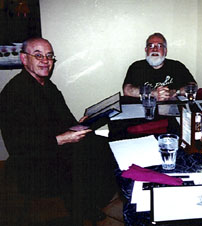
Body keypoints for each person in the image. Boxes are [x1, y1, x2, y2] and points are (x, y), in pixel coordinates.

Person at [0, 37, 120, 224]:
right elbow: (20, 145)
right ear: (24, 59)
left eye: (49, 56)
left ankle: (91, 203)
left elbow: (64, 120)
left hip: (53, 149)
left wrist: (80, 124)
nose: (45, 61)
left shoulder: (47, 86)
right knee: (86, 154)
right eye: (38, 55)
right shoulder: (14, 93)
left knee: (102, 144)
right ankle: (80, 212)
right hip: (34, 163)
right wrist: (63, 139)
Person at [123, 32, 197, 101]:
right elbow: (127, 90)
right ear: (146, 50)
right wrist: (153, 93)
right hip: (143, 109)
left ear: (165, 51)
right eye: (151, 46)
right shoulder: (136, 67)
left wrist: (175, 92)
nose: (155, 49)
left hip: (172, 110)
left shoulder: (177, 66)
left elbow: (194, 86)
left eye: (159, 46)